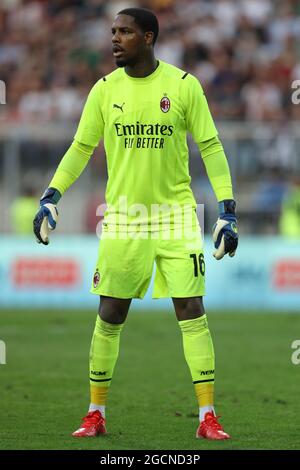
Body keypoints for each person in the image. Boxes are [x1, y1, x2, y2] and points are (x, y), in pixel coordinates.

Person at [33, 7, 238, 440]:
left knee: (191, 309)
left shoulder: (183, 86)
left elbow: (211, 147)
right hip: (124, 218)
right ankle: (95, 413)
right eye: (112, 31)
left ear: (148, 37)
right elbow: (81, 147)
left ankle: (207, 417)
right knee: (110, 311)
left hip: (178, 216)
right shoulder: (104, 90)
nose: (114, 39)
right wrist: (52, 195)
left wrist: (227, 208)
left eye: (124, 32)